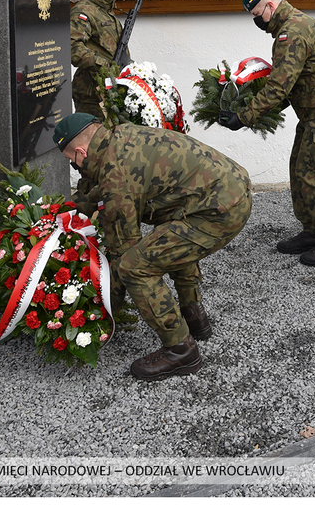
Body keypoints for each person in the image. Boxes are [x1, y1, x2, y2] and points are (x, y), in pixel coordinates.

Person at [53, 113, 252, 380]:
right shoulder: (118, 138)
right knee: (170, 241)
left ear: (80, 151)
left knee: (135, 266)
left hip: (219, 212)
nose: (75, 166)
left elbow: (122, 249)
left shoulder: (115, 175)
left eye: (72, 161)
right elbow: (105, 186)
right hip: (226, 190)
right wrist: (74, 211)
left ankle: (181, 350)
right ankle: (194, 317)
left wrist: (102, 312)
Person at [221, 0, 315, 266]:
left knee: (314, 178)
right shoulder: (293, 27)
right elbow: (292, 85)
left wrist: (244, 116)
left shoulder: (291, 33)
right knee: (299, 170)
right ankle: (313, 231)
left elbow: (278, 87)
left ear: (270, 7)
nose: (256, 20)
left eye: (257, 13)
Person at [70, 0, 128, 120]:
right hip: (92, 93)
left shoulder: (105, 11)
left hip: (110, 86)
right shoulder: (83, 11)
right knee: (93, 140)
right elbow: (73, 48)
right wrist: (106, 65)